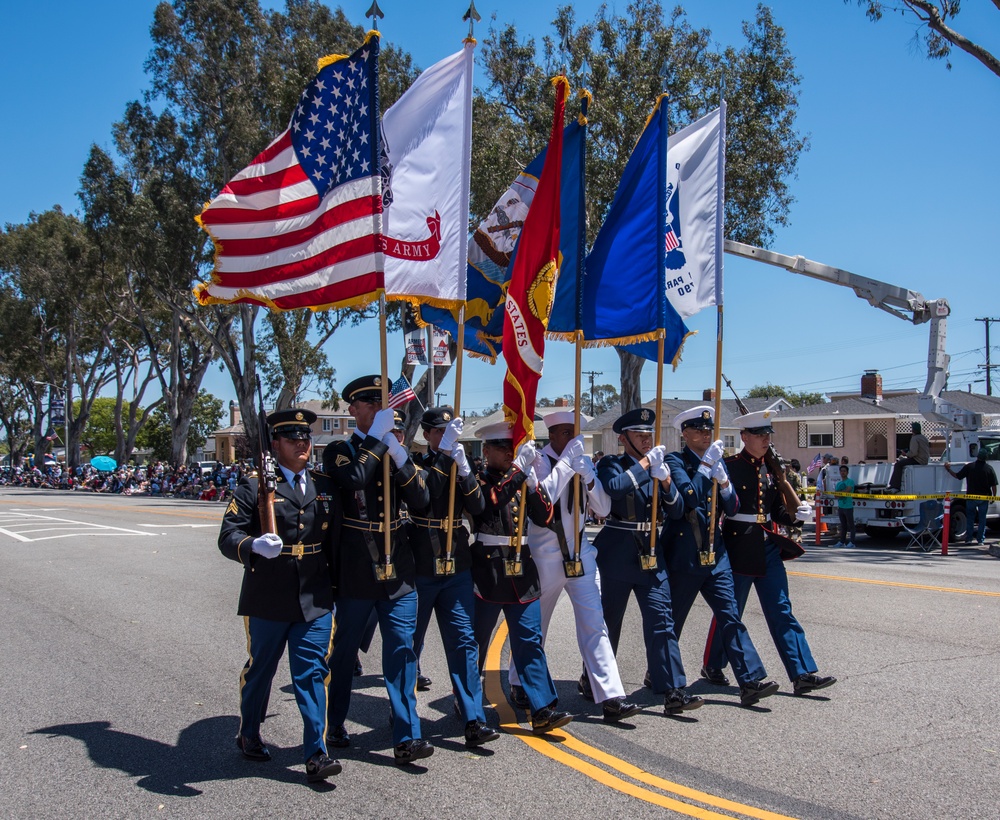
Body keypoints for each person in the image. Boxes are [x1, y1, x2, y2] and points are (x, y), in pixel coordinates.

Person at [218, 408, 343, 783]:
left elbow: (334, 543)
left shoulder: (324, 485)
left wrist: (337, 591)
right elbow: (228, 536)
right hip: (268, 596)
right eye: (293, 439)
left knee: (312, 674)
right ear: (275, 444)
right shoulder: (253, 487)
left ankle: (316, 753)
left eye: (305, 438)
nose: (302, 444)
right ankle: (249, 731)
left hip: (315, 597)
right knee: (261, 671)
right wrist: (253, 545)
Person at [322, 375, 433, 766]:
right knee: (343, 652)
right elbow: (353, 478)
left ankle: (407, 735)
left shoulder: (394, 450)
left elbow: (420, 500)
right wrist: (376, 443)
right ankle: (333, 722)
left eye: (383, 403)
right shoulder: (338, 449)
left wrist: (401, 457)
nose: (382, 409)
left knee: (402, 651)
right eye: (371, 404)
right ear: (353, 411)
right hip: (356, 569)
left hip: (399, 571)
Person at [510, 410, 640, 723]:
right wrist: (567, 467)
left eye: (575, 432)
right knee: (535, 627)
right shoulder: (538, 462)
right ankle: (519, 681)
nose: (573, 439)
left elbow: (604, 509)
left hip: (581, 554)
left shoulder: (582, 461)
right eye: (566, 433)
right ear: (553, 435)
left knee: (595, 624)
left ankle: (610, 696)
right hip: (545, 554)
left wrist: (591, 478)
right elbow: (543, 504)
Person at [703, 410, 837, 697]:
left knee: (781, 610)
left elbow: (776, 512)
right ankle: (713, 664)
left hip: (767, 546)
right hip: (737, 547)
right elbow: (717, 512)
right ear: (743, 437)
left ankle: (801, 673)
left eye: (767, 435)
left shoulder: (774, 470)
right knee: (731, 613)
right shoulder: (729, 467)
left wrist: (797, 515)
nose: (765, 439)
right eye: (759, 435)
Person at [662, 406, 779, 708]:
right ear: (684, 433)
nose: (705, 434)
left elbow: (733, 507)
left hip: (716, 553)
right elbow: (687, 499)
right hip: (684, 553)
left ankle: (750, 680)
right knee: (673, 620)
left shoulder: (717, 462)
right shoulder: (675, 461)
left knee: (730, 616)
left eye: (708, 429)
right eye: (698, 429)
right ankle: (662, 674)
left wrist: (725, 484)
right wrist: (705, 469)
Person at [470, 419, 573, 735]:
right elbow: (490, 504)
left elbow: (545, 516)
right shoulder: (477, 480)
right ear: (486, 450)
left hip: (522, 571)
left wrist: (531, 481)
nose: (507, 453)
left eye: (511, 448)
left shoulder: (520, 478)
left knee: (529, 640)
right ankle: (470, 707)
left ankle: (542, 708)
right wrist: (519, 471)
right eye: (502, 448)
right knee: (476, 643)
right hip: (489, 571)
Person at [592, 408, 696, 715]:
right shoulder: (613, 464)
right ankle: (597, 682)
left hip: (652, 553)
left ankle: (673, 689)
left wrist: (664, 482)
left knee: (661, 621)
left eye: (649, 434)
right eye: (639, 435)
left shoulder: (657, 466)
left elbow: (677, 511)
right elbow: (613, 489)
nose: (646, 439)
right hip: (618, 553)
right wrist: (646, 465)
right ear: (624, 439)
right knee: (609, 624)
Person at [408, 407, 499, 748]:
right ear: (427, 434)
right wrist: (443, 457)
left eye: (451, 432)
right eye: (441, 432)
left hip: (456, 564)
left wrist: (462, 469)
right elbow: (424, 496)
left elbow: (477, 508)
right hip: (421, 564)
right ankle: (404, 715)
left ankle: (473, 716)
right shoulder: (414, 463)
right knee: (410, 644)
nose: (448, 436)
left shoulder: (462, 463)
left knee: (464, 643)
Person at [945, 452, 998, 546]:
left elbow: (957, 476)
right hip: (984, 498)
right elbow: (994, 485)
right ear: (986, 458)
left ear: (977, 457)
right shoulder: (989, 468)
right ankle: (980, 540)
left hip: (971, 497)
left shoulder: (970, 467)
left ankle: (969, 538)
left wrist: (948, 469)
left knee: (970, 518)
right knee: (982, 520)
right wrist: (993, 496)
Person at [889, 421, 930, 490]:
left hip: (918, 460)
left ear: (913, 430)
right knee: (902, 461)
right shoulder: (923, 437)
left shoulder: (915, 438)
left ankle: (895, 486)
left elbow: (913, 453)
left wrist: (905, 454)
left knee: (898, 464)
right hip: (924, 460)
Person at [833, 465, 856, 548]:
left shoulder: (850, 481)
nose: (843, 472)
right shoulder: (838, 483)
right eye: (841, 471)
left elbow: (847, 490)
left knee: (851, 525)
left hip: (848, 506)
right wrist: (839, 494)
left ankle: (852, 542)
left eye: (844, 471)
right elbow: (836, 495)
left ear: (847, 472)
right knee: (843, 526)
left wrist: (840, 493)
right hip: (841, 507)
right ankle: (842, 542)